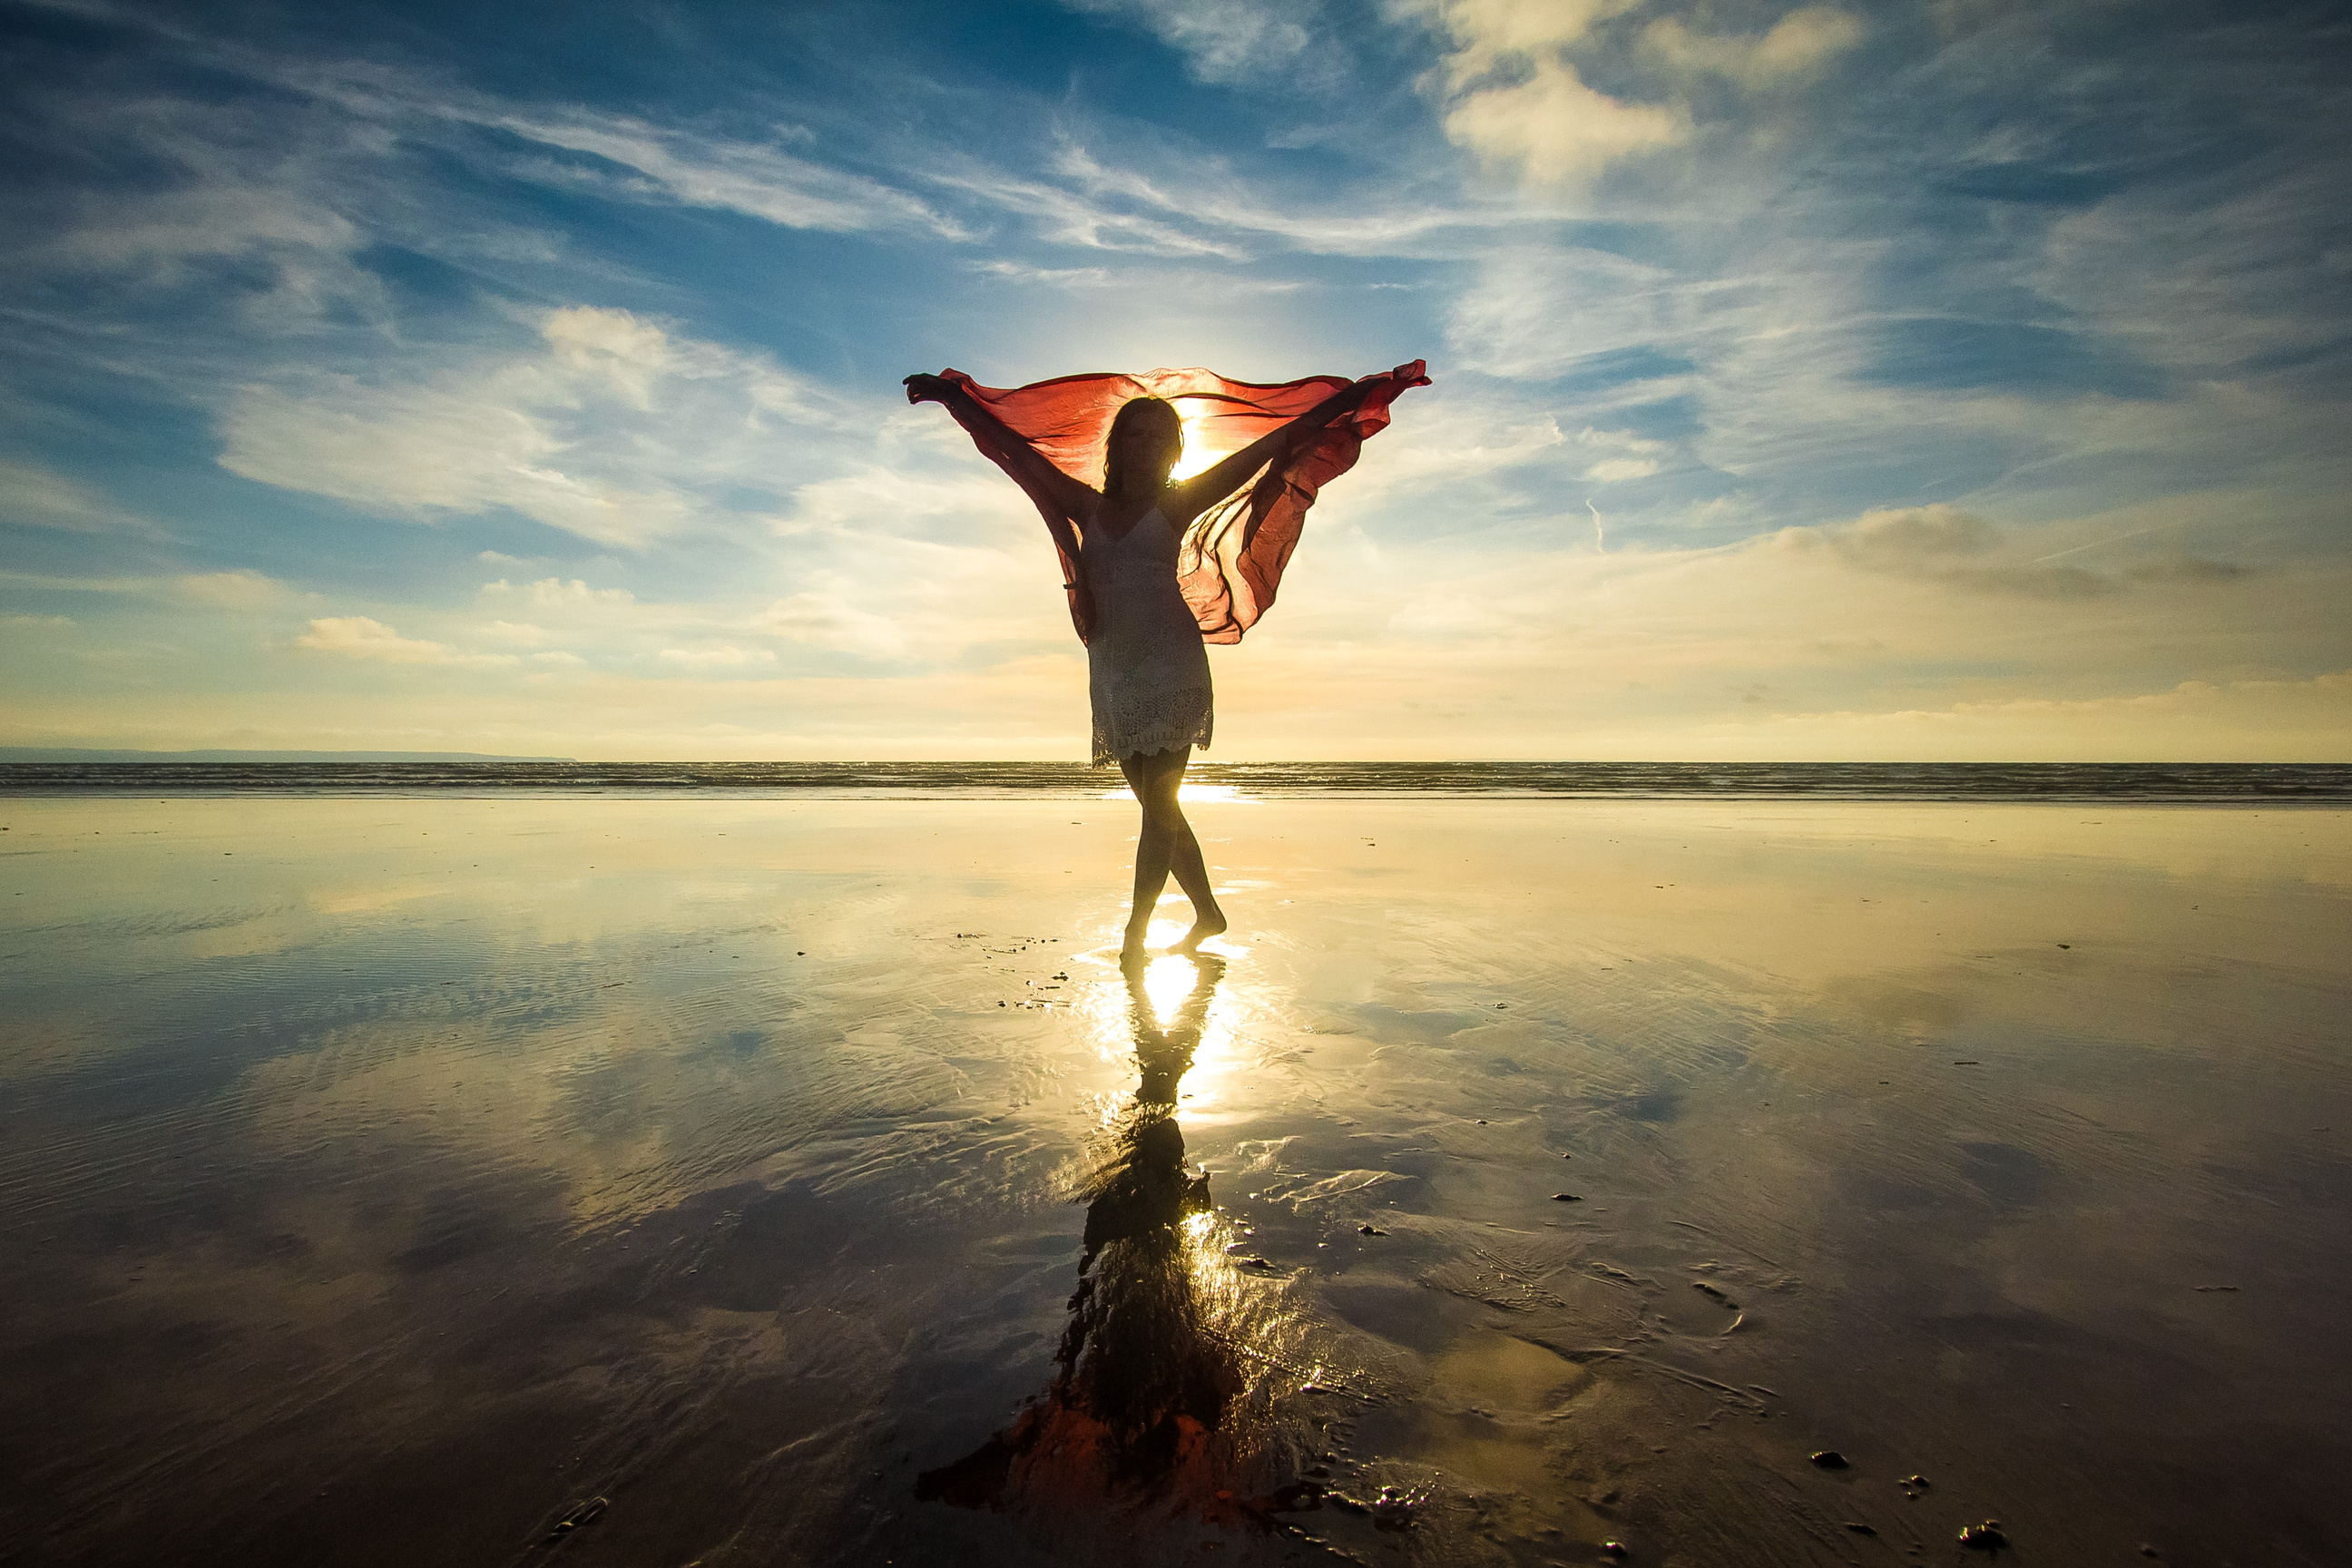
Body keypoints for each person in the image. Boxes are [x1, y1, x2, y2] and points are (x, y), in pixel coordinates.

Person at [904, 364, 1425, 961]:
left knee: (1160, 809)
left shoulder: (1181, 502)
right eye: (1135, 432)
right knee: (1161, 811)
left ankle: (1135, 934)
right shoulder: (1083, 504)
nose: (1146, 443)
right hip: (1114, 670)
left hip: (1171, 662)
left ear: (1175, 449)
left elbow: (1278, 441)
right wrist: (953, 398)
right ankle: (1208, 914)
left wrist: (1367, 392)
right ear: (1117, 444)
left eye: (1159, 434)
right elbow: (1014, 455)